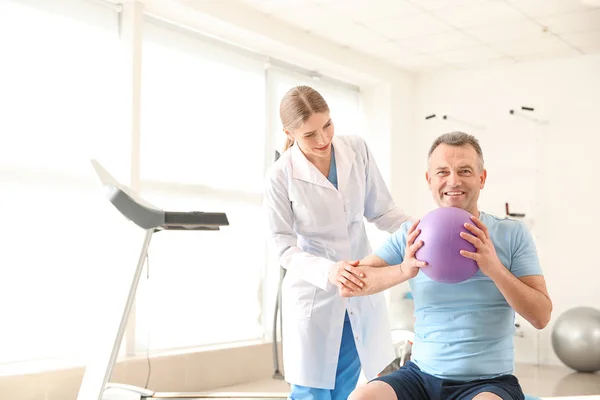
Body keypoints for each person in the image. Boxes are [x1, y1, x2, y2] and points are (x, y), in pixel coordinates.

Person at [344, 131, 552, 400]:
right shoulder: (412, 234)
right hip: (419, 375)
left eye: (464, 171)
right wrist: (403, 270)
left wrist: (495, 269)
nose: (453, 181)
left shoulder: (512, 234)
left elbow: (541, 316)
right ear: (429, 180)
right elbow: (352, 284)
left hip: (488, 382)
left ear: (482, 178)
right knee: (361, 398)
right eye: (442, 172)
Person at [263, 85, 412, 400]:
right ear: (289, 133)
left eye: (327, 125)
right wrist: (329, 271)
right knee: (312, 392)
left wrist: (422, 232)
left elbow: (383, 212)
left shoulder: (356, 149)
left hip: (360, 288)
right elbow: (284, 247)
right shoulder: (280, 175)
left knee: (348, 388)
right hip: (316, 295)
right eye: (309, 135)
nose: (322, 139)